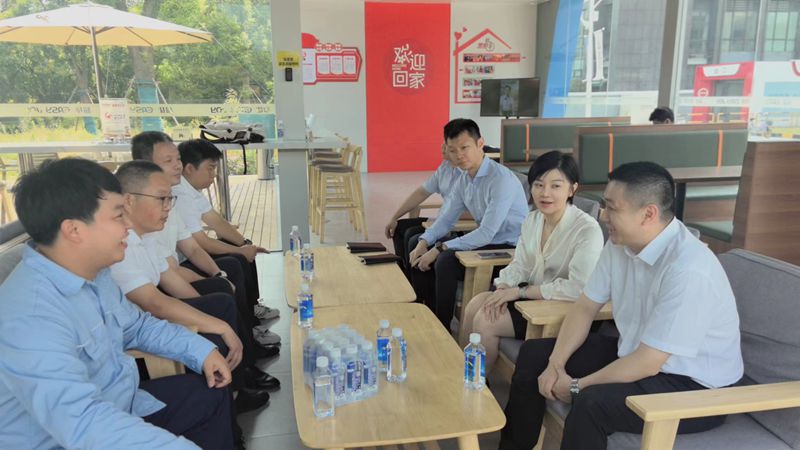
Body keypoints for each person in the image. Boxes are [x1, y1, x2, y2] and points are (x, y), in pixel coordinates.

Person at [500, 162, 743, 450]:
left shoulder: (688, 269)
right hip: (635, 353)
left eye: (612, 208)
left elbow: (649, 361)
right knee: (535, 355)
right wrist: (556, 364)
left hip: (695, 387)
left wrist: (576, 386)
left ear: (648, 214)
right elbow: (585, 307)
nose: (602, 215)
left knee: (591, 403)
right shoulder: (620, 243)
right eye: (604, 205)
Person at [0, 158, 233, 449]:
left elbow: (137, 327)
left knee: (209, 392)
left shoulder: (95, 274)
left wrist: (200, 351)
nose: (128, 226)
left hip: (122, 404)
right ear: (74, 230)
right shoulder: (30, 318)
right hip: (76, 438)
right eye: (118, 216)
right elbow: (83, 423)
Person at [111, 160, 276, 416]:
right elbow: (154, 303)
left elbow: (170, 277)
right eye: (162, 199)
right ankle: (233, 392)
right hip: (139, 328)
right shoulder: (121, 245)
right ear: (129, 200)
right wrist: (216, 323)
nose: (168, 206)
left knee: (220, 296)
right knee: (217, 318)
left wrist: (208, 308)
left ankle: (241, 373)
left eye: (170, 199)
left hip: (149, 314)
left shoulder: (146, 235)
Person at [130, 132, 280, 347]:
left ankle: (248, 327)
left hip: (171, 275)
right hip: (158, 293)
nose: (178, 166)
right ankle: (247, 342)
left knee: (233, 263)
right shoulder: (147, 215)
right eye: (168, 161)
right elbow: (162, 286)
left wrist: (239, 250)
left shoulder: (169, 199)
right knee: (226, 284)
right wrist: (204, 301)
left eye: (178, 159)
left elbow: (193, 245)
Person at [459, 151, 603, 373]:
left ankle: (477, 383)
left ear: (572, 189)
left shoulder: (587, 230)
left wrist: (520, 292)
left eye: (556, 186)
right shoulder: (533, 219)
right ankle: (464, 375)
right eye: (539, 185)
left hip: (566, 309)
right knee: (475, 305)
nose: (545, 193)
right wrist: (504, 287)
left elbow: (579, 288)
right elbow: (521, 264)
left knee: (486, 320)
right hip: (533, 299)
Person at [409, 118, 528, 329]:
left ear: (480, 143)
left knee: (445, 260)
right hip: (488, 242)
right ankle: (425, 313)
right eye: (453, 150)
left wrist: (440, 248)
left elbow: (486, 233)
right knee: (416, 244)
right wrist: (424, 242)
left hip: (509, 251)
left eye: (465, 148)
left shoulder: (500, 180)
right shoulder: (464, 179)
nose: (459, 155)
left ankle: (441, 326)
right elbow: (446, 218)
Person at [384, 143, 465, 276]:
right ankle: (405, 275)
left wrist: (446, 216)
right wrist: (394, 217)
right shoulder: (445, 167)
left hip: (455, 225)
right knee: (399, 227)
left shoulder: (468, 173)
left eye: (447, 144)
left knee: (413, 238)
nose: (442, 148)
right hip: (441, 219)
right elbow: (421, 193)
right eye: (443, 143)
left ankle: (413, 283)